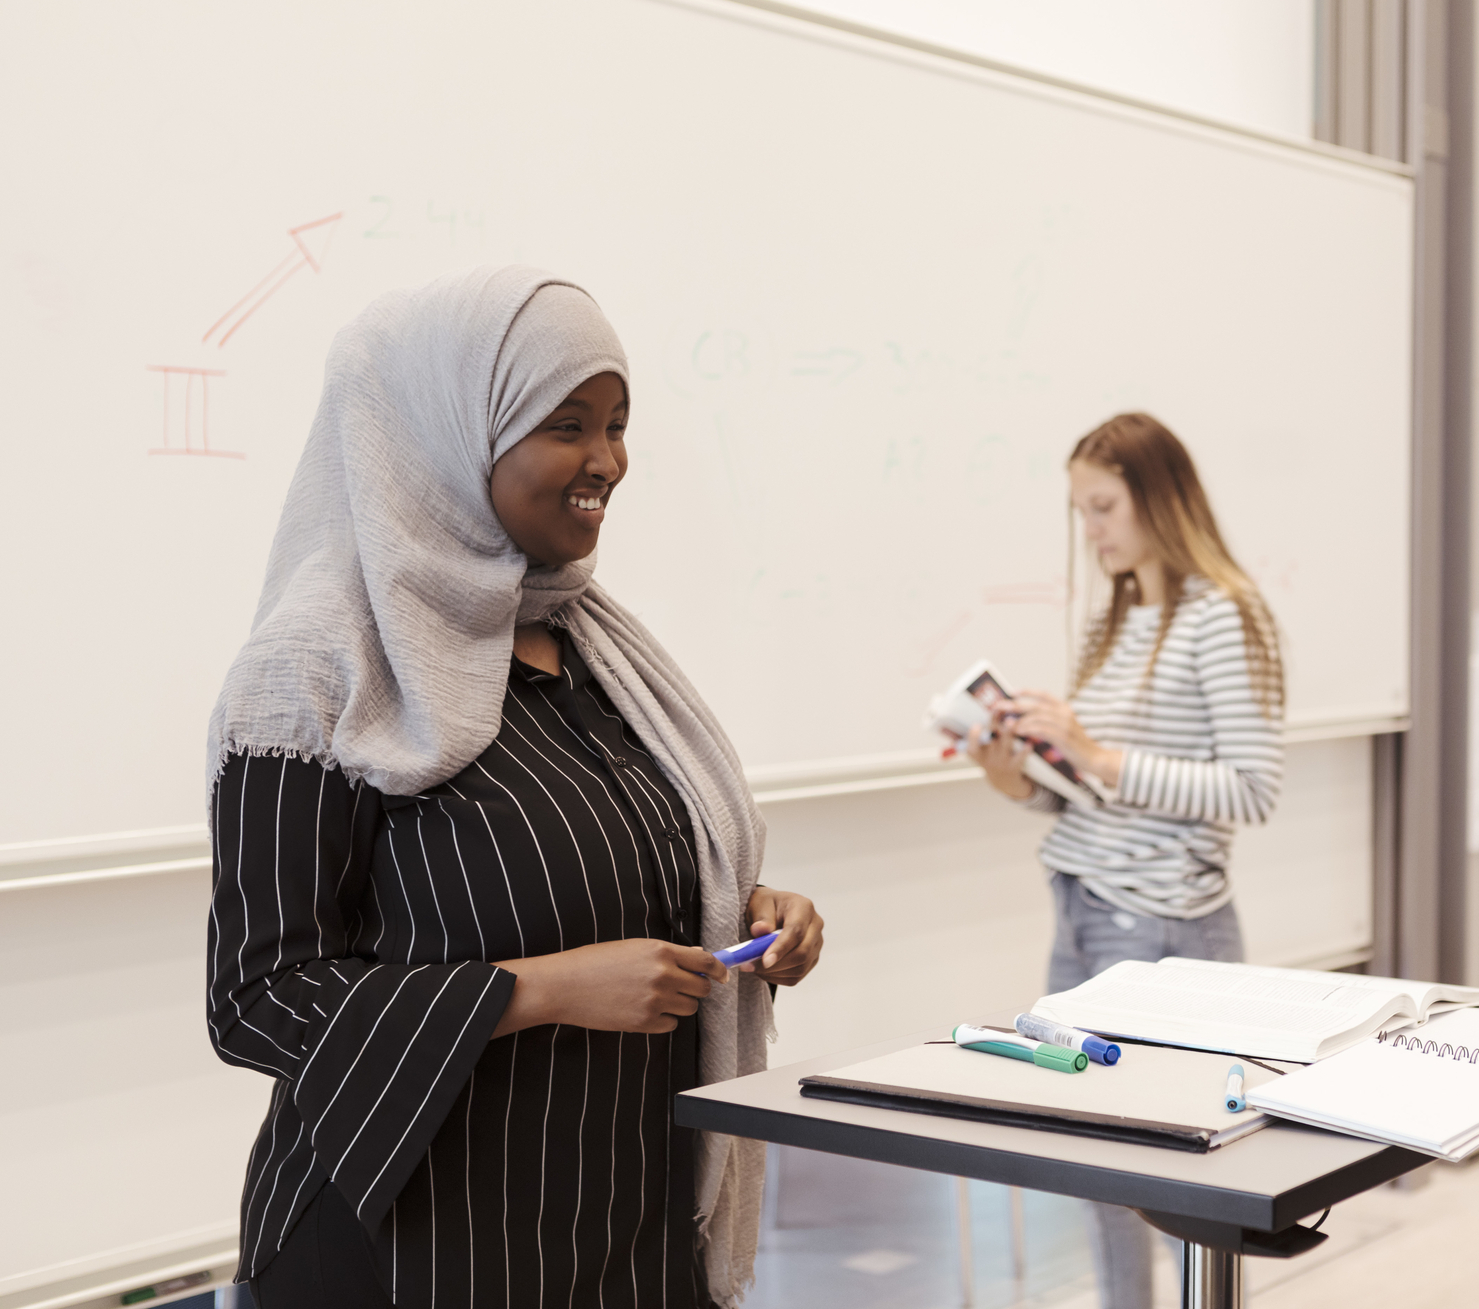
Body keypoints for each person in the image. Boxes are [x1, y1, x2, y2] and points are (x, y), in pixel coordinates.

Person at [204, 266, 825, 1309]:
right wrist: (537, 990)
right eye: (566, 424)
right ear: (441, 432)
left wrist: (753, 912)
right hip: (420, 1252)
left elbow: (614, 881)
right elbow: (257, 997)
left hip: (626, 1229)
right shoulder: (312, 672)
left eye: (619, 423)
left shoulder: (594, 648)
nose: (607, 461)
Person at [962, 412, 1284, 1309]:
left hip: (1167, 924)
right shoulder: (1118, 620)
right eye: (1080, 511)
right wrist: (1016, 771)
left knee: (1189, 1172)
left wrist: (1096, 752)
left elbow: (1252, 788)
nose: (1091, 530)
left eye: (1102, 506)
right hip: (1083, 907)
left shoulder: (1223, 615)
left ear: (1159, 499)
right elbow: (1095, 795)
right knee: (1099, 1159)